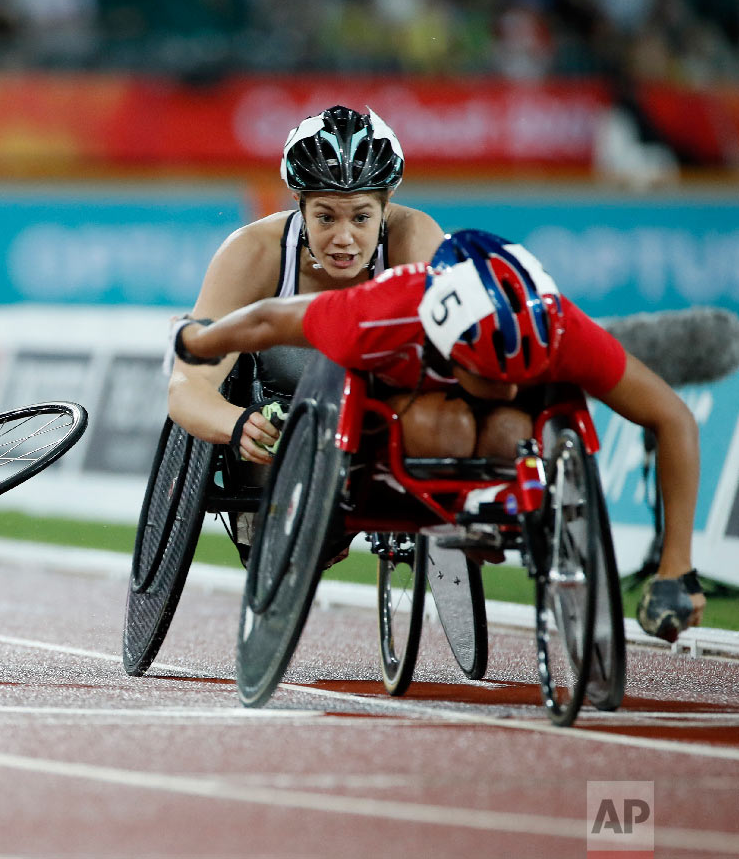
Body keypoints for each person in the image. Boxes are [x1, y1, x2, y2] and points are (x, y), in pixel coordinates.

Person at [170, 229, 706, 641]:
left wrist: (676, 568)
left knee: (513, 425)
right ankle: (454, 509)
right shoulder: (388, 310)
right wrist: (202, 338)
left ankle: (490, 508)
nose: (506, 385)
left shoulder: (561, 328)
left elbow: (672, 418)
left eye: (519, 374)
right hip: (412, 411)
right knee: (444, 429)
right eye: (489, 375)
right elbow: (269, 321)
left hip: (510, 429)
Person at [166, 104, 445, 561]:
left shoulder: (415, 237)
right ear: (298, 204)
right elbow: (186, 386)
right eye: (325, 217)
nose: (343, 238)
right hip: (282, 414)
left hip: (379, 408)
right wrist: (234, 425)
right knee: (286, 554)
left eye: (360, 217)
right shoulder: (252, 252)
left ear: (386, 206)